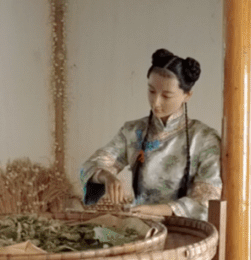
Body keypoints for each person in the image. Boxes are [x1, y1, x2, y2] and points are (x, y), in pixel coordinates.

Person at [79, 48, 222, 221]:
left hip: (189, 232)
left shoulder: (205, 139)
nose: (156, 102)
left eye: (166, 95)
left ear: (187, 95)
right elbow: (91, 165)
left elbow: (206, 199)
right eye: (151, 91)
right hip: (141, 225)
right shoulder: (132, 131)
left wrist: (154, 211)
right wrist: (106, 176)